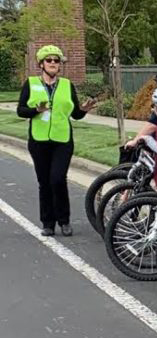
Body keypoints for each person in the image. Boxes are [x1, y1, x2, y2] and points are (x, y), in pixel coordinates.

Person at [16, 44, 97, 236]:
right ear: (41, 64)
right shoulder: (31, 83)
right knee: (44, 182)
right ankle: (48, 223)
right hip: (38, 140)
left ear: (60, 65)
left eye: (56, 61)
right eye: (49, 60)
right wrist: (36, 110)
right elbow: (21, 111)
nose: (53, 63)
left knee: (58, 179)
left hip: (62, 140)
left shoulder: (67, 85)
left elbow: (75, 114)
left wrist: (84, 109)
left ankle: (64, 220)